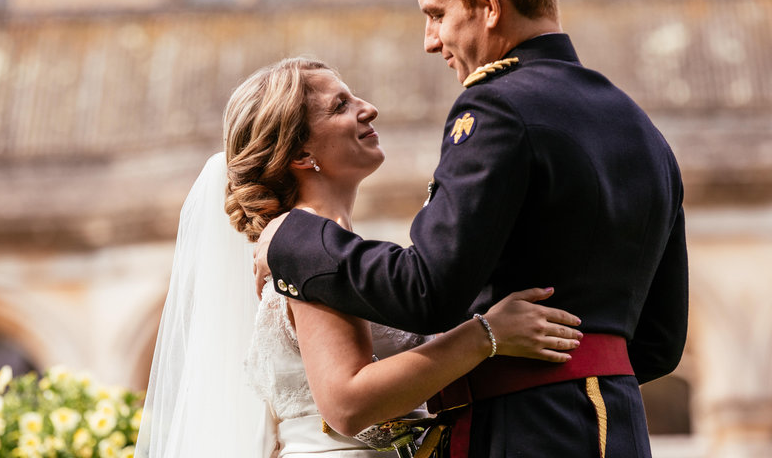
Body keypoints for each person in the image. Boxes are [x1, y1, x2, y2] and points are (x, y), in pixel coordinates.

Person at [255, 0, 689, 457]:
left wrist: (292, 238)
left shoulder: (496, 108)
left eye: (436, 14)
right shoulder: (641, 128)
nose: (431, 40)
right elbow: (660, 342)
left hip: (521, 433)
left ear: (486, 4)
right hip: (620, 429)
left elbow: (427, 291)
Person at [135, 57, 585, 458]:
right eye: (340, 106)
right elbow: (347, 401)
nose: (368, 108)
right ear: (300, 153)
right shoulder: (308, 253)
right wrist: (486, 335)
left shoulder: (328, 245)